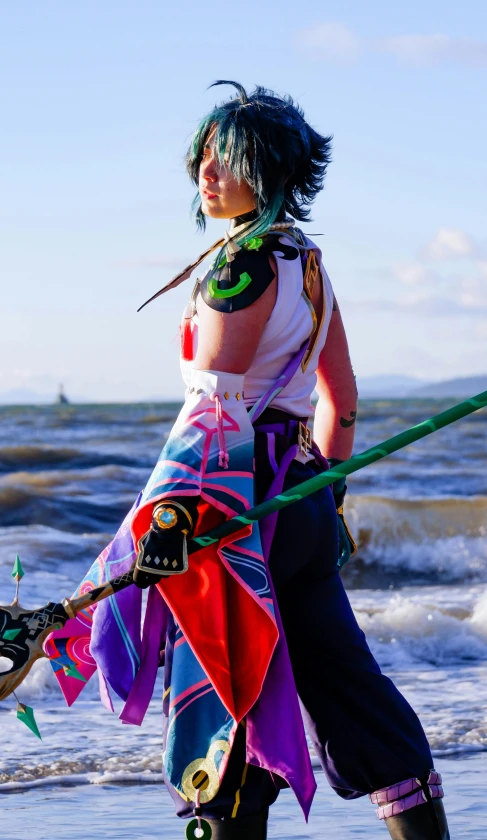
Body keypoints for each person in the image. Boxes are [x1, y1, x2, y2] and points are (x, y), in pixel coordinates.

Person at [51, 81, 449, 840]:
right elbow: (342, 398)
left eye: (227, 159)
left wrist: (170, 514)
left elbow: (214, 415)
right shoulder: (305, 262)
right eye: (203, 155)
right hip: (296, 495)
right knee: (347, 684)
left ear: (267, 173)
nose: (206, 172)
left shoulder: (241, 269)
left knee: (225, 695)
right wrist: (325, 500)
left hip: (232, 508)